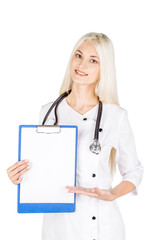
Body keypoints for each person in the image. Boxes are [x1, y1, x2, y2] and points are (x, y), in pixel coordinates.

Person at [7, 32, 144, 240]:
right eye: (78, 56)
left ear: (103, 69)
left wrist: (112, 194)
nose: (82, 65)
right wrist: (20, 177)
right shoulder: (47, 112)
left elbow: (134, 171)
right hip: (58, 227)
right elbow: (43, 170)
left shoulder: (115, 116)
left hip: (102, 226)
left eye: (93, 60)